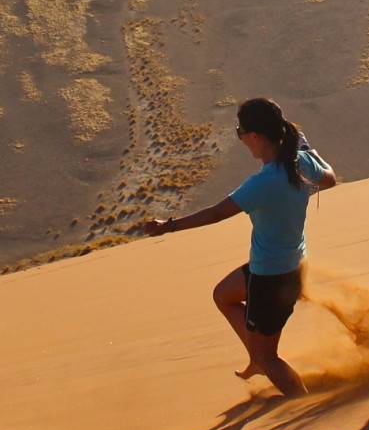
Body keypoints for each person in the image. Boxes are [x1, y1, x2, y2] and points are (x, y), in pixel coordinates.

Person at [141, 98, 336, 397]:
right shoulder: (301, 163)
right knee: (223, 295)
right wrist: (309, 152)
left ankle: (298, 401)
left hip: (271, 279)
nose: (240, 137)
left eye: (240, 131)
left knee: (269, 358)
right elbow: (330, 180)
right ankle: (257, 356)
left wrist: (169, 226)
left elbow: (216, 213)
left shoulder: (263, 183)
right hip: (291, 265)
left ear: (256, 137)